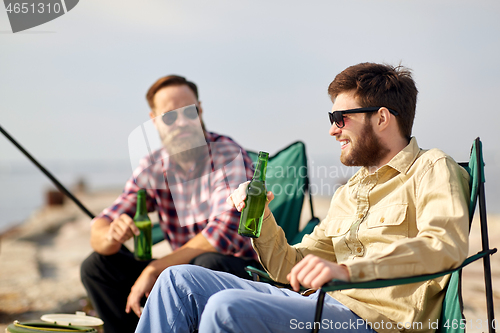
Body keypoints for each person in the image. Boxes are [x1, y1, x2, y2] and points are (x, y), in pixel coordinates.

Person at [134, 63, 471, 333]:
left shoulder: (431, 167)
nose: (332, 130)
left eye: (341, 118)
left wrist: (347, 271)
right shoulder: (349, 191)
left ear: (381, 118)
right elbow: (289, 267)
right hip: (316, 305)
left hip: (375, 320)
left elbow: (443, 246)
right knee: (177, 280)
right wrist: (262, 217)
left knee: (226, 308)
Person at [80, 75, 260, 333]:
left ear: (200, 110)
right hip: (177, 272)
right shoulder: (153, 166)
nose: (183, 122)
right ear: (154, 120)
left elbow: (221, 235)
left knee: (205, 264)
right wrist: (110, 235)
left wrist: (156, 267)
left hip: (235, 270)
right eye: (170, 117)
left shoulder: (228, 154)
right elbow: (103, 223)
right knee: (96, 265)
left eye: (189, 112)